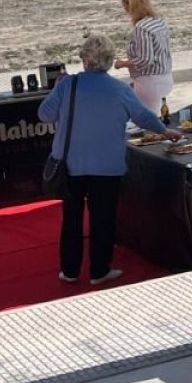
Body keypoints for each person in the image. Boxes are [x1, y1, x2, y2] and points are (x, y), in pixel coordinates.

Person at [40, 33, 180, 286]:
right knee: (102, 218)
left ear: (84, 59)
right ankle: (99, 270)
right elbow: (142, 116)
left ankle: (70, 271)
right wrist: (164, 131)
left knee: (71, 217)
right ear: (108, 61)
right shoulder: (119, 89)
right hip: (106, 165)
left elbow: (44, 114)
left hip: (70, 163)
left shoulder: (67, 84)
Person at [113, 0, 174, 112]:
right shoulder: (159, 21)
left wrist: (123, 63)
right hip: (165, 76)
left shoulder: (142, 28)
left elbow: (145, 60)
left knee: (148, 118)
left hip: (150, 81)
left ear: (129, 5)